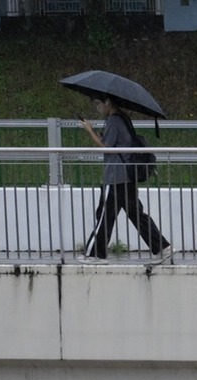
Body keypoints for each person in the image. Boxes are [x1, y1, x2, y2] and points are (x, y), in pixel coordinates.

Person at [79, 96, 173, 263]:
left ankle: (94, 254)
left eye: (98, 103)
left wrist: (89, 130)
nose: (97, 107)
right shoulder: (123, 118)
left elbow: (106, 147)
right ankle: (163, 248)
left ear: (107, 102)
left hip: (115, 176)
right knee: (136, 214)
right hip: (127, 176)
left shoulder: (114, 121)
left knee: (104, 216)